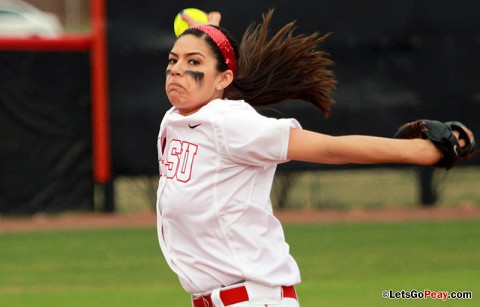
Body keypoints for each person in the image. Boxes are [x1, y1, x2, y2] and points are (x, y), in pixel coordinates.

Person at [156, 10, 476, 307]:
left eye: (193, 63)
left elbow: (329, 148)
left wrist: (421, 151)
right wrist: (206, 32)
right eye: (173, 60)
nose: (177, 69)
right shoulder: (178, 119)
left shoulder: (230, 123)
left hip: (253, 299)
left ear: (223, 80)